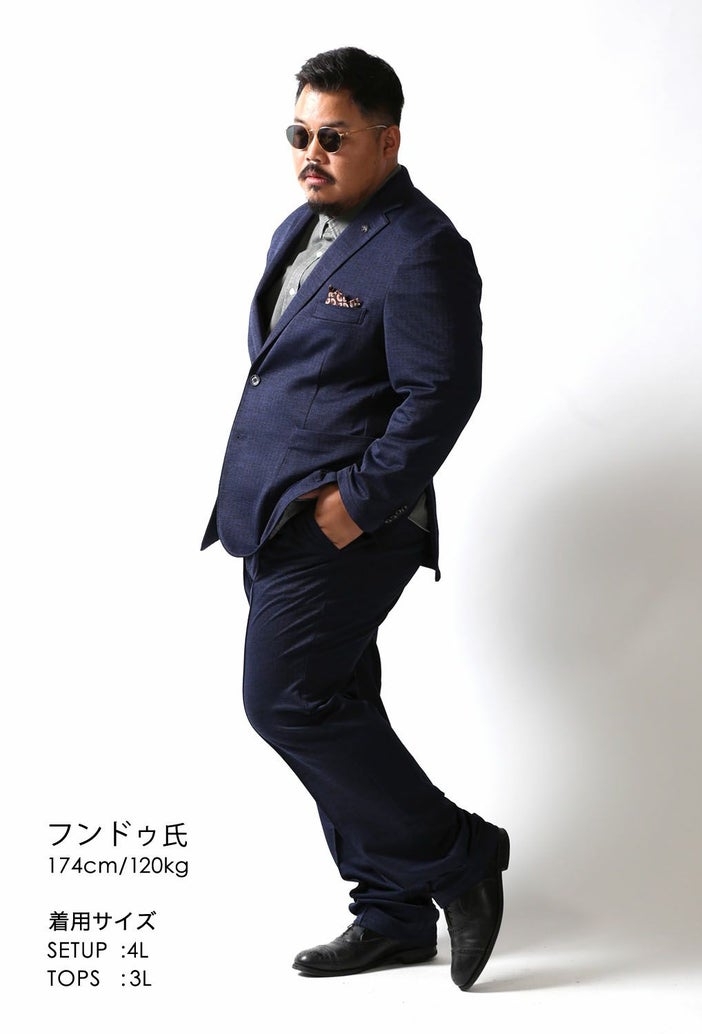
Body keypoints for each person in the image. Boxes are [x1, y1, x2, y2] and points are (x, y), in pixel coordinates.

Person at [202, 46, 509, 991]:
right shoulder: (299, 228)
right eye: (300, 134)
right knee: (337, 706)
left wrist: (354, 505)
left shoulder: (422, 248)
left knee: (283, 701)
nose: (312, 153)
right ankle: (391, 913)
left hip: (348, 526)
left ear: (387, 140)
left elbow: (441, 393)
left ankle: (461, 854)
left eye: (333, 137)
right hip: (273, 517)